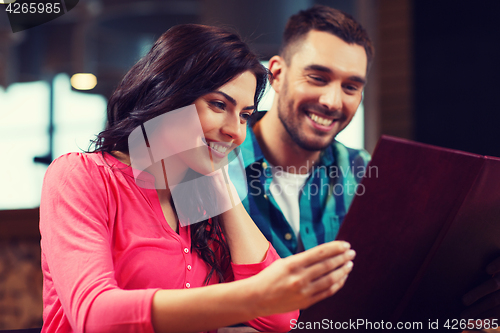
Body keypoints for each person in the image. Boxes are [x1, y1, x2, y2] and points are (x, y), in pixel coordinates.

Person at [39, 24, 356, 333]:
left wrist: (219, 184)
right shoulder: (82, 176)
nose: (236, 132)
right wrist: (249, 300)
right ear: (168, 96)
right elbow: (94, 315)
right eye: (219, 105)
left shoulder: (198, 196)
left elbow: (279, 318)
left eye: (245, 115)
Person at [239, 4, 500, 322]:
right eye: (318, 78)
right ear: (277, 74)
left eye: (350, 86)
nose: (333, 101)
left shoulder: (368, 174)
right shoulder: (210, 169)